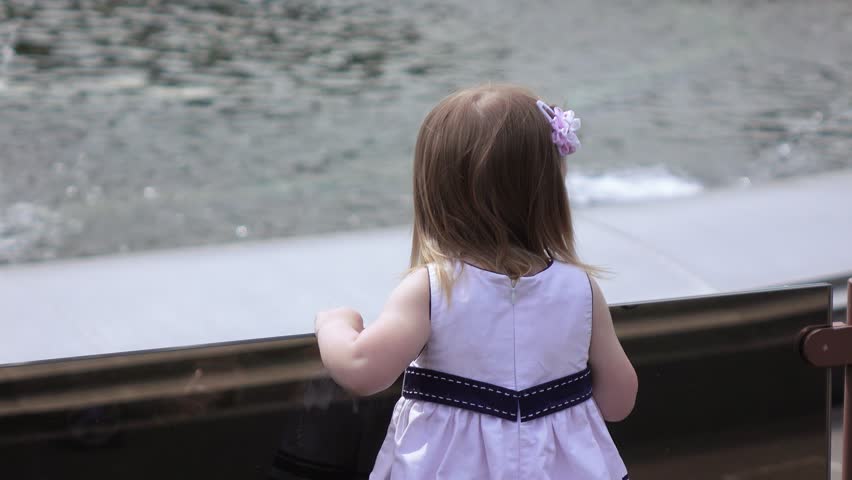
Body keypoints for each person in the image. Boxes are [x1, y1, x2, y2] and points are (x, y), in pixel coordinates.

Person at [315, 84, 637, 479]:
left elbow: (363, 369)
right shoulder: (580, 290)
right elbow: (618, 401)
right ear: (549, 191)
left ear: (435, 193)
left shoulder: (433, 290)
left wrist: (334, 324)